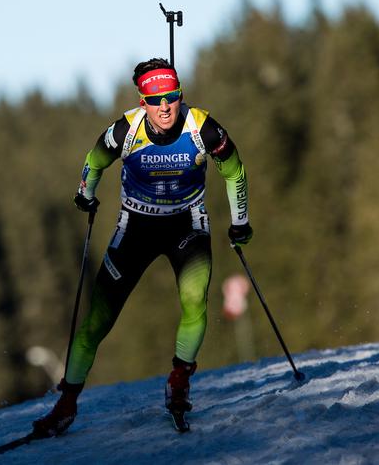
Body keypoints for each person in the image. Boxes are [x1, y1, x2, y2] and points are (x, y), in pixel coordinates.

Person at [32, 58, 252, 437]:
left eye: (172, 97)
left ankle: (180, 379)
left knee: (195, 299)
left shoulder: (204, 128)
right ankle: (66, 402)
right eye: (155, 99)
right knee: (97, 320)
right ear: (142, 101)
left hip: (188, 224)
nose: (165, 107)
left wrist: (240, 221)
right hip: (136, 226)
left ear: (180, 95)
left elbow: (234, 169)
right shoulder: (125, 130)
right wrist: (85, 195)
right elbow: (94, 161)